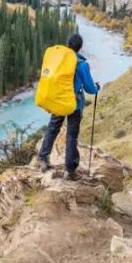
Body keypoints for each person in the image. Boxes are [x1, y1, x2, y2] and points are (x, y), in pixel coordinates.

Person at [38, 33, 98, 180]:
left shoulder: (58, 59)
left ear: (67, 44)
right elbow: (90, 88)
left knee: (53, 128)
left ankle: (43, 158)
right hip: (74, 104)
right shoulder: (81, 64)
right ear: (80, 47)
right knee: (72, 135)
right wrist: (96, 88)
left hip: (58, 99)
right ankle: (70, 170)